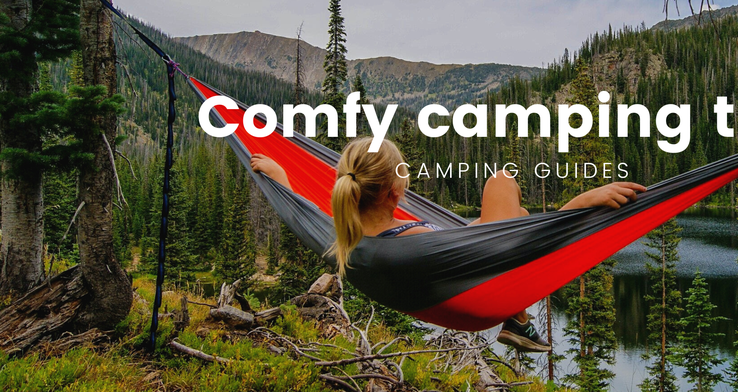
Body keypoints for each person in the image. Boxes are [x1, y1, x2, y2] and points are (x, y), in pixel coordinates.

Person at [251, 137, 646, 353]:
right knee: (501, 181)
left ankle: (520, 321)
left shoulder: (344, 237)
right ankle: (518, 318)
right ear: (394, 192)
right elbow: (514, 252)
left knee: (519, 212)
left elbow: (303, 215)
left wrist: (282, 180)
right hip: (480, 297)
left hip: (451, 279)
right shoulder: (413, 244)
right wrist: (579, 206)